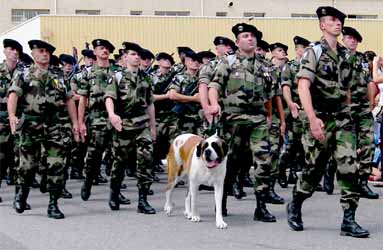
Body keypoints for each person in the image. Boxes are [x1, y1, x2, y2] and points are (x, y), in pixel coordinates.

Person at [287, 6, 369, 238]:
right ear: (322, 25)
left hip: (342, 120)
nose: (337, 24)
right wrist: (312, 120)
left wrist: (350, 115)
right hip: (320, 118)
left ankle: (349, 220)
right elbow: (303, 86)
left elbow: (350, 90)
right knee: (314, 170)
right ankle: (295, 203)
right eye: (332, 20)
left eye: (339, 20)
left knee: (349, 167)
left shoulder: (346, 55)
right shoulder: (313, 52)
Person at [208, 23, 278, 222]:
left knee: (264, 161)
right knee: (229, 163)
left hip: (258, 120)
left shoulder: (265, 66)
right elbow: (214, 86)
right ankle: (221, 203)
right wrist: (214, 104)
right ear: (237, 42)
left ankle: (261, 207)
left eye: (253, 36)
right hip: (232, 120)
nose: (250, 39)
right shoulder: (227, 63)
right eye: (246, 36)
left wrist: (270, 117)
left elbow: (270, 96)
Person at [7, 39, 79, 219]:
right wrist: (12, 116)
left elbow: (69, 99)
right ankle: (21, 195)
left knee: (56, 165)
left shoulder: (59, 75)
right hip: (31, 125)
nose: (44, 54)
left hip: (54, 125)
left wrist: (76, 122)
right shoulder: (24, 74)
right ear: (33, 54)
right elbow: (14, 94)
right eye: (40, 51)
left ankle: (53, 204)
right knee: (28, 166)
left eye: (47, 51)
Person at [105, 41, 156, 213]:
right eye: (133, 54)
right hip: (123, 125)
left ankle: (143, 200)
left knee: (145, 161)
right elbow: (109, 97)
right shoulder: (117, 76)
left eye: (139, 55)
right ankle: (114, 193)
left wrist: (153, 127)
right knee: (119, 162)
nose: (136, 58)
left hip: (142, 124)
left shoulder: (146, 78)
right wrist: (112, 115)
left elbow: (150, 104)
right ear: (125, 56)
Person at [280, 36, 311, 188]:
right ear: (297, 49)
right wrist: (290, 104)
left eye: (307, 48)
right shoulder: (290, 67)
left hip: (309, 111)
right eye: (302, 48)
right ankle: (281, 171)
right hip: (295, 110)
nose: (304, 51)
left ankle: (298, 175)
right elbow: (285, 87)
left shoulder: (311, 66)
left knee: (306, 145)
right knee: (292, 144)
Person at [0, 39, 23, 201]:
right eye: (11, 49)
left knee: (19, 159)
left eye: (17, 50)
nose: (14, 52)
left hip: (18, 122)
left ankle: (18, 196)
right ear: (5, 51)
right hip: (1, 121)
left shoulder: (23, 74)